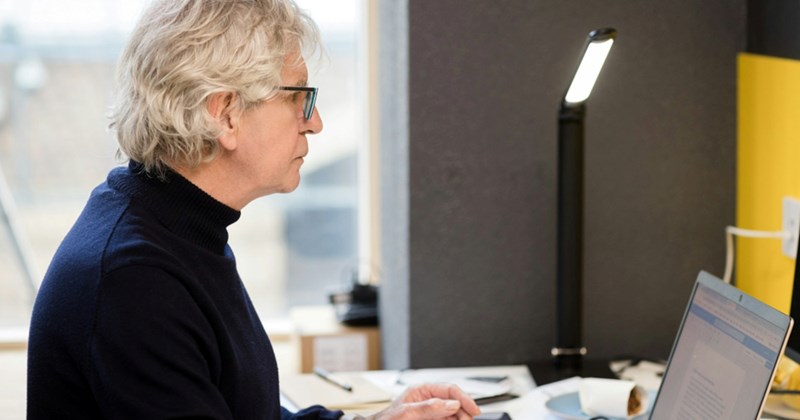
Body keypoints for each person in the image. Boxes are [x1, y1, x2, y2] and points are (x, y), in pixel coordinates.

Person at [26, 0, 482, 419]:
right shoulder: (134, 281)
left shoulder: (178, 233)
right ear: (225, 113)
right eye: (297, 97)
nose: (315, 122)